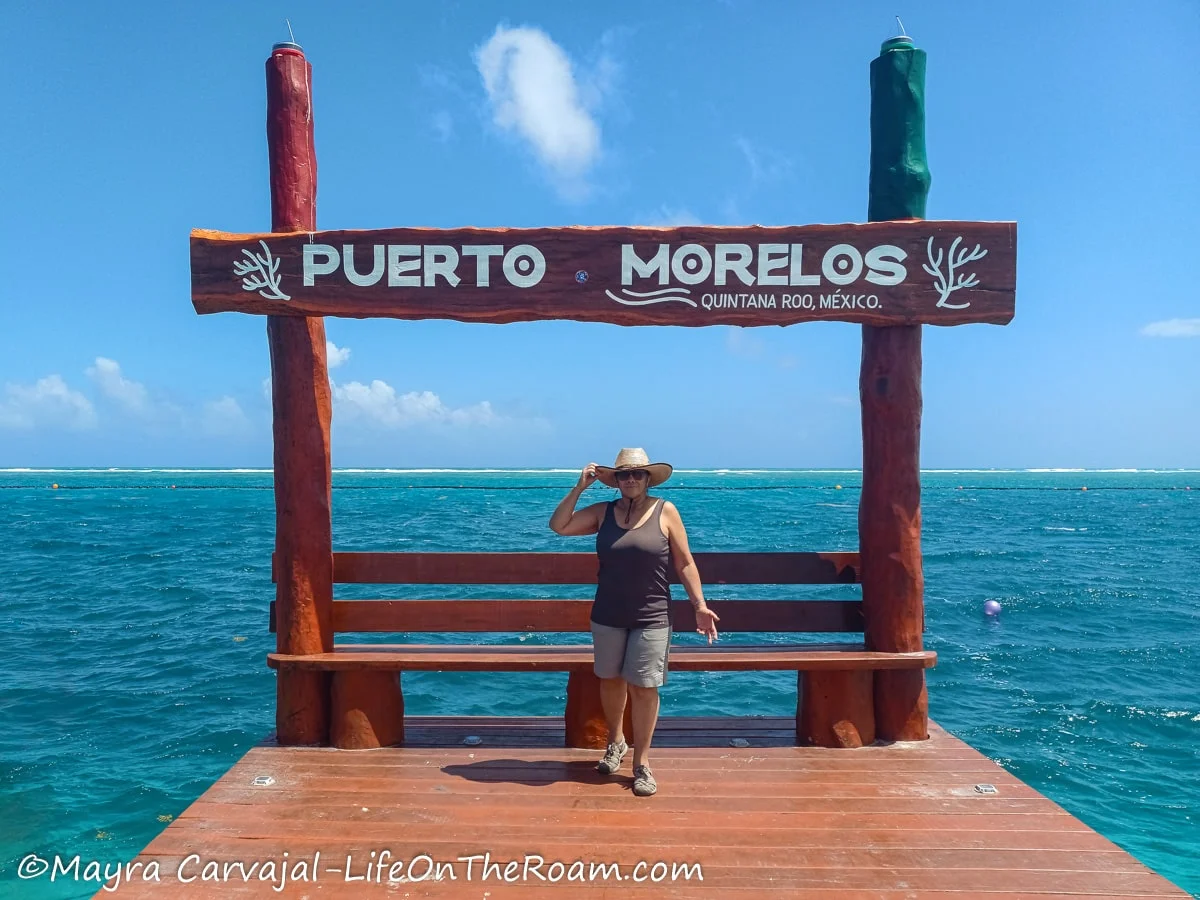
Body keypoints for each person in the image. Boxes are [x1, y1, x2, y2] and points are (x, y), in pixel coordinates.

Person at [548, 448, 719, 797]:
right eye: (624, 474)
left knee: (644, 687)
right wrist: (579, 488)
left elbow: (685, 563)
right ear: (616, 480)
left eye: (637, 475)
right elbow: (559, 526)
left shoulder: (665, 510)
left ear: (647, 479)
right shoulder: (602, 513)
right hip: (609, 613)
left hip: (652, 616)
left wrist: (699, 605)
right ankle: (616, 743)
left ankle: (642, 763)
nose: (630, 480)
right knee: (610, 680)